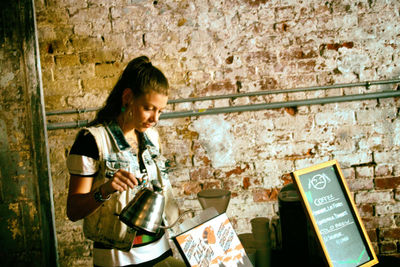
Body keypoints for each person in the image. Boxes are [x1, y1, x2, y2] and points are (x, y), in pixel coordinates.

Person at [66, 56, 184, 266]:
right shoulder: (92, 140)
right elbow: (74, 211)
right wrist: (105, 190)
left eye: (160, 111)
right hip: (118, 259)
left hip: (161, 250)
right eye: (148, 108)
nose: (155, 119)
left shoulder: (152, 138)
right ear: (128, 97)